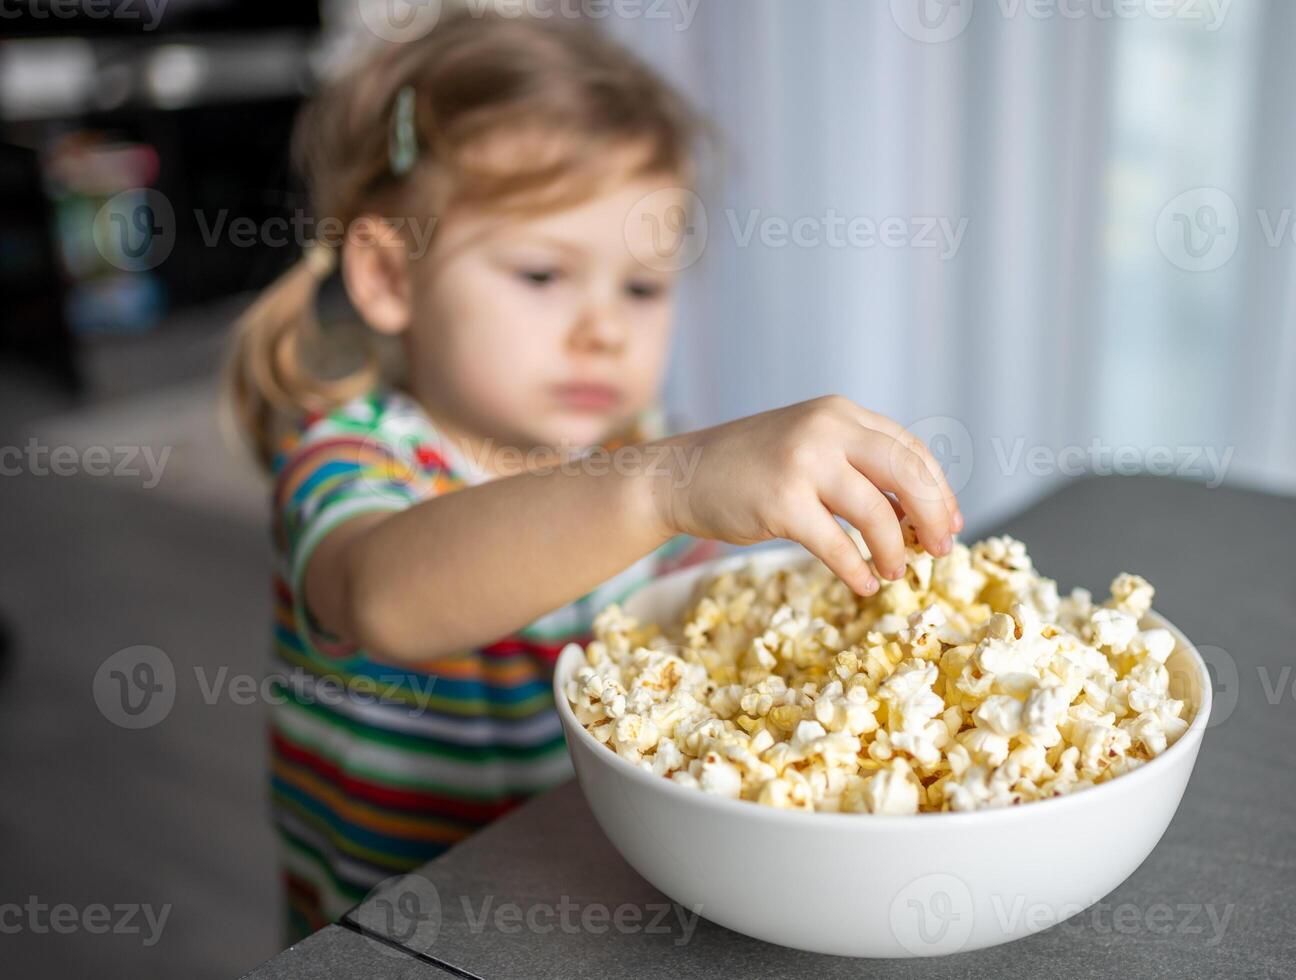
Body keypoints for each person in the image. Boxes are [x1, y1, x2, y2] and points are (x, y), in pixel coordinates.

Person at [226, 11, 961, 942]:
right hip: (394, 932)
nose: (603, 328)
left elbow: (712, 639)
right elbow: (385, 600)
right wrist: (661, 487)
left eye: (642, 288)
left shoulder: (645, 444)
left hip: (586, 904)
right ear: (389, 276)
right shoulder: (349, 456)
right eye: (541, 274)